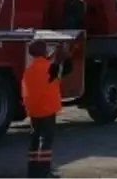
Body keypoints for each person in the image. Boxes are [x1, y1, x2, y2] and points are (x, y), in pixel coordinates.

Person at [22, 40, 72, 179]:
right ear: (43, 52)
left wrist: (53, 57)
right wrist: (65, 56)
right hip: (47, 109)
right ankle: (44, 173)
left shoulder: (29, 69)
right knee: (46, 142)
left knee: (34, 139)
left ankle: (32, 173)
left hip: (34, 110)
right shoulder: (50, 67)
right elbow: (66, 70)